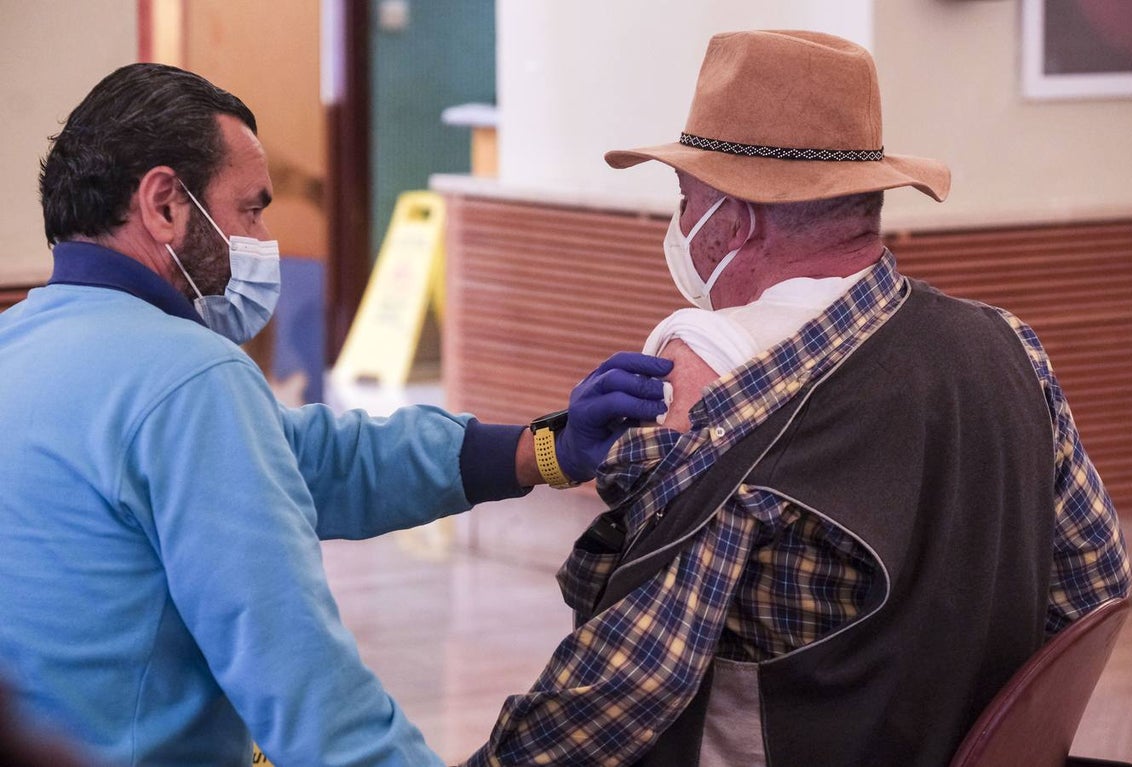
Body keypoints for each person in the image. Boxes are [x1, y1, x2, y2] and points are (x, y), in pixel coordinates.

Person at [464, 30, 1132, 767]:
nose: (681, 228)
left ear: (734, 221)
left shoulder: (725, 385)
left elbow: (627, 684)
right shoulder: (1011, 348)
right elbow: (1093, 590)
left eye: (687, 202)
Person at [0, 63, 672, 767]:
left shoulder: (23, 346)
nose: (262, 240)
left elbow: (312, 458)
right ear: (165, 204)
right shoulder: (189, 376)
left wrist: (546, 448)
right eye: (250, 209)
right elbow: (302, 682)